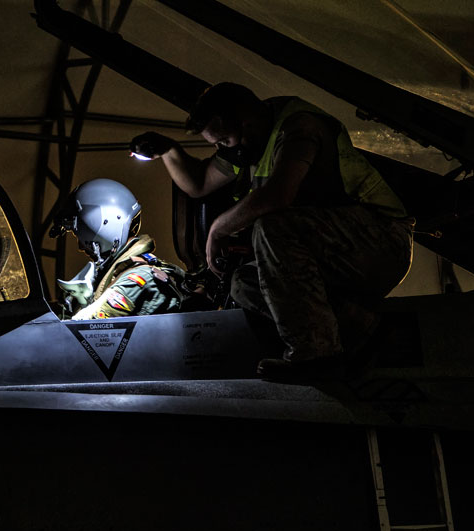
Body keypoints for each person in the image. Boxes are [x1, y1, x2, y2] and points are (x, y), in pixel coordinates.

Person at [130, 82, 414, 381]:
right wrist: (168, 150)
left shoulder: (299, 127)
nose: (222, 150)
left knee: (273, 227)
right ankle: (359, 326)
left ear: (246, 123)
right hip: (340, 249)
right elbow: (199, 183)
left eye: (224, 140)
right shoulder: (250, 142)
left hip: (381, 240)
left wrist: (218, 229)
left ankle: (316, 357)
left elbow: (278, 195)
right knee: (244, 283)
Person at [50, 178, 185, 320]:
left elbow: (84, 328)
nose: (80, 247)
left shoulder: (137, 280)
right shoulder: (119, 275)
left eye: (81, 237)